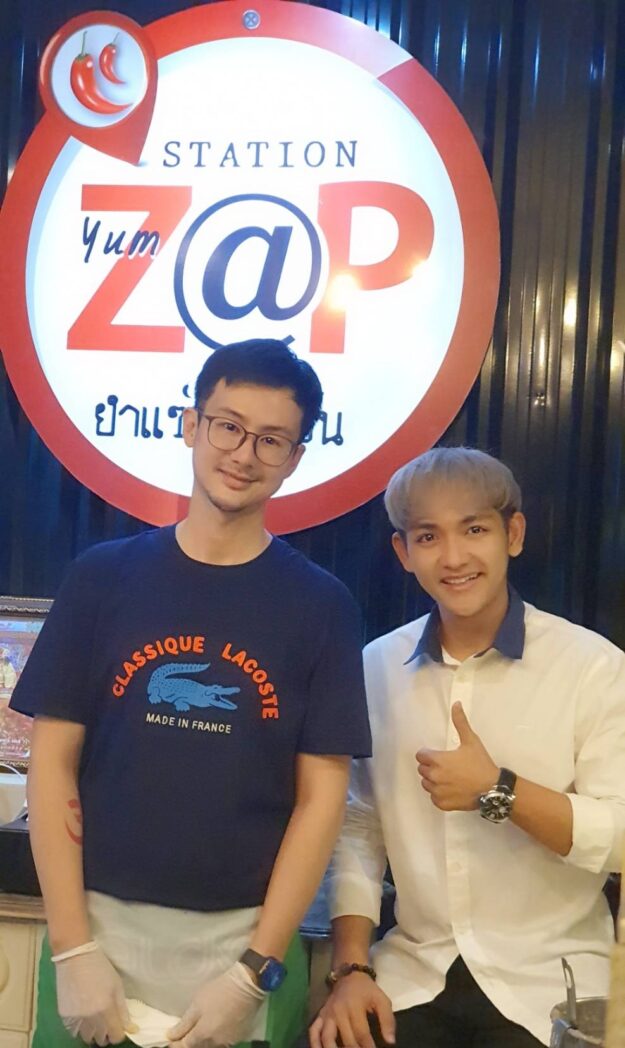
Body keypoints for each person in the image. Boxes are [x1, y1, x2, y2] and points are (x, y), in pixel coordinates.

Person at [10, 338, 371, 1048]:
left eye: (271, 440)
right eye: (228, 426)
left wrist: (253, 973)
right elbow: (49, 765)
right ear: (190, 424)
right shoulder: (101, 578)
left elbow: (321, 801)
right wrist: (72, 949)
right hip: (96, 939)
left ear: (296, 457)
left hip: (240, 947)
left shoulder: (321, 606)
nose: (243, 454)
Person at [311, 446, 625, 1048]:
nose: (453, 557)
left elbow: (619, 838)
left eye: (474, 529)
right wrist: (351, 969)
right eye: (428, 536)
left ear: (514, 534)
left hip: (551, 986)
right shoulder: (376, 668)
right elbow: (359, 827)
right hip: (412, 973)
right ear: (404, 553)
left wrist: (499, 790)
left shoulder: (592, 666)